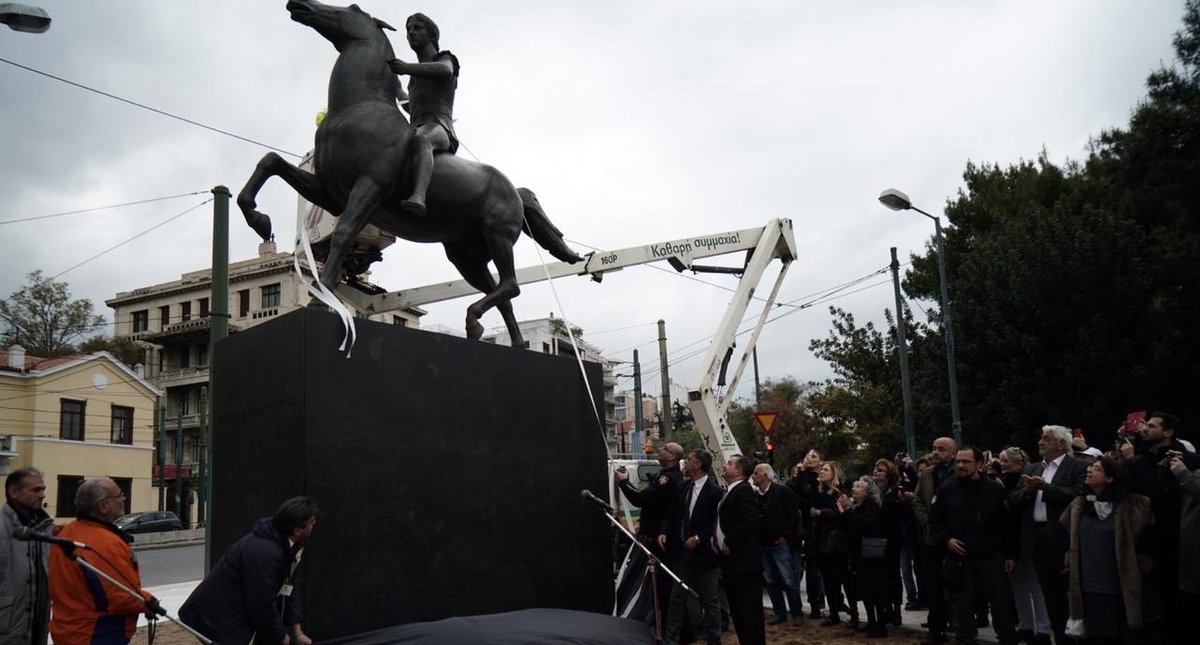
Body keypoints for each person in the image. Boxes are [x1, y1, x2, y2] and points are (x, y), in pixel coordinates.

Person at [180, 497, 319, 645]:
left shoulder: (292, 545)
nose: (314, 524)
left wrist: (297, 632)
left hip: (235, 618)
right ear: (297, 530)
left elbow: (290, 588)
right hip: (216, 620)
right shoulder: (265, 553)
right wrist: (281, 637)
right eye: (311, 522)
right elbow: (261, 603)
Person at [1062, 457, 1161, 644]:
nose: (1089, 470)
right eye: (1090, 467)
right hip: (1088, 587)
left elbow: (1148, 543)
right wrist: (1069, 567)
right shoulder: (1078, 506)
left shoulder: (1134, 506)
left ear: (1110, 478)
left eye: (1097, 468)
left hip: (1119, 588)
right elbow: (1069, 540)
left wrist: (1141, 569)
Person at [1123, 411, 1200, 643]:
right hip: (1149, 541)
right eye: (1145, 425)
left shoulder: (1188, 461)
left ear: (1168, 432)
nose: (1144, 429)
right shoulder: (1136, 463)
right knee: (1152, 599)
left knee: (1182, 601)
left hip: (1183, 542)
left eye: (1152, 426)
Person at [48, 478, 155, 645]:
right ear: (104, 506)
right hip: (95, 634)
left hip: (67, 631)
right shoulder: (104, 544)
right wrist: (149, 601)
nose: (123, 499)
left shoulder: (67, 533)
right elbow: (122, 597)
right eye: (120, 495)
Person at [931, 447, 1019, 645]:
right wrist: (947, 539)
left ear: (979, 463)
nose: (961, 465)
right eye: (958, 462)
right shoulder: (947, 489)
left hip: (990, 553)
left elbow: (1007, 524)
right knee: (960, 602)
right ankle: (966, 638)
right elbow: (935, 519)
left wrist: (1011, 554)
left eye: (966, 461)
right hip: (959, 555)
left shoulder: (994, 489)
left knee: (1000, 601)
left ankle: (1007, 637)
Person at [1008, 425, 1087, 645]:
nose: (1041, 442)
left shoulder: (1078, 467)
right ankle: (1059, 637)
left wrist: (1046, 488)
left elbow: (1079, 495)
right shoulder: (1032, 468)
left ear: (1062, 444)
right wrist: (1028, 491)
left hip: (1063, 538)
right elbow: (1012, 499)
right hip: (1035, 539)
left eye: (1047, 438)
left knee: (1066, 594)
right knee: (1048, 594)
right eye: (1041, 438)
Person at [388, 13, 460, 217]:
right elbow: (411, 107)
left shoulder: (444, 58)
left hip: (440, 127)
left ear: (431, 35)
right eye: (408, 29)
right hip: (417, 124)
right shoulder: (414, 79)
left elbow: (445, 71)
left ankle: (419, 196)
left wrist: (406, 68)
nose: (411, 32)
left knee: (422, 139)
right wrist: (396, 88)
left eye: (417, 28)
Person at [658, 450, 722, 645]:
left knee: (710, 600)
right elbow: (672, 515)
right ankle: (672, 639)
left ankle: (714, 639)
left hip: (704, 555)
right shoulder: (682, 487)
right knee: (677, 598)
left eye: (691, 459)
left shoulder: (715, 492)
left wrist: (699, 538)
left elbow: (716, 522)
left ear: (699, 465)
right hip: (682, 554)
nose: (686, 462)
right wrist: (664, 531)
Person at [616, 443, 685, 623]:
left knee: (659, 585)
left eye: (665, 448)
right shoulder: (667, 476)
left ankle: (664, 624)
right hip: (655, 533)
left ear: (671, 457)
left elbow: (641, 499)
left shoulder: (668, 479)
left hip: (659, 539)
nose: (660, 448)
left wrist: (623, 482)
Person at [997, 446, 1051, 645]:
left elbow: (1014, 506)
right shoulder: (1001, 482)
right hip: (1011, 539)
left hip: (1026, 539)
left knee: (1035, 586)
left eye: (1006, 461)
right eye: (1001, 460)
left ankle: (1042, 628)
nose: (1002, 464)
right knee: (1018, 586)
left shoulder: (1024, 482)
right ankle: (1026, 625)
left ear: (1019, 464)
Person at [912, 436, 958, 644]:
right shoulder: (928, 474)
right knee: (933, 584)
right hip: (931, 538)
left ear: (953, 453)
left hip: (954, 538)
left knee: (955, 582)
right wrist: (926, 523)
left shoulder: (958, 473)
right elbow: (918, 500)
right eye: (934, 448)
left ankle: (957, 622)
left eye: (942, 449)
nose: (936, 452)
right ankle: (935, 627)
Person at [714, 455, 764, 645]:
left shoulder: (743, 491)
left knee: (749, 613)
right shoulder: (728, 491)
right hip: (731, 563)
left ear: (739, 471)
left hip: (744, 564)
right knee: (739, 613)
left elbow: (749, 521)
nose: (725, 466)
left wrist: (729, 541)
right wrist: (715, 537)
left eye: (729, 463)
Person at [1, 467, 52, 645]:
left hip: (38, 629)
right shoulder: (2, 528)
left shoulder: (43, 528)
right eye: (36, 490)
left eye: (43, 489)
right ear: (14, 492)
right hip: (8, 633)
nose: (42, 495)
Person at [751, 463, 803, 626]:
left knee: (788, 579)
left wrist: (785, 536)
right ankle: (779, 612)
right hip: (763, 544)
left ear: (765, 475)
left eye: (756, 473)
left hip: (779, 544)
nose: (753, 476)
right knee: (771, 580)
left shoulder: (782, 492)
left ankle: (796, 613)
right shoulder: (755, 496)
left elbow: (793, 516)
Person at [843, 476, 890, 638]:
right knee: (865, 590)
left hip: (872, 554)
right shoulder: (858, 506)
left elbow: (865, 525)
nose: (854, 489)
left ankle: (881, 624)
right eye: (854, 486)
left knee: (876, 590)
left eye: (858, 487)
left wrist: (849, 511)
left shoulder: (872, 507)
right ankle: (871, 621)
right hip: (860, 553)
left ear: (867, 492)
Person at [811, 460, 856, 627]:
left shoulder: (840, 492)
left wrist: (820, 512)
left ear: (834, 473)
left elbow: (840, 514)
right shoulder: (819, 492)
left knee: (845, 579)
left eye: (825, 470)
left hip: (838, 542)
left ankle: (855, 614)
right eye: (821, 469)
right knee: (829, 581)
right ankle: (834, 613)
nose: (821, 472)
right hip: (821, 541)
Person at [786, 449, 826, 618]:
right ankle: (815, 604)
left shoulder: (825, 478)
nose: (810, 458)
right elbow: (799, 498)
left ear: (822, 461)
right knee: (812, 568)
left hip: (826, 526)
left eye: (814, 456)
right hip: (811, 529)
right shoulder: (804, 477)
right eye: (809, 455)